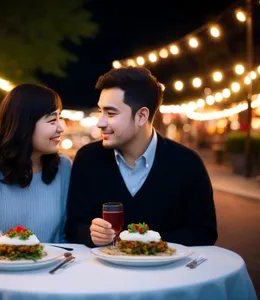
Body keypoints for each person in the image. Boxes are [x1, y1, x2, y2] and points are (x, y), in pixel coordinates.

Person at [65, 66, 217, 247]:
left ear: (142, 116)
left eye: (111, 113)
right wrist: (90, 234)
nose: (100, 122)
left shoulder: (187, 163)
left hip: (168, 273)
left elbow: (204, 232)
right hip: (104, 273)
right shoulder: (87, 159)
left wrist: (147, 246)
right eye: (100, 111)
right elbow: (73, 226)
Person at [0, 83, 72, 246]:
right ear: (24, 124)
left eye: (60, 117)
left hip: (51, 270)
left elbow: (64, 236)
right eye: (52, 120)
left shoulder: (63, 167)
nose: (61, 127)